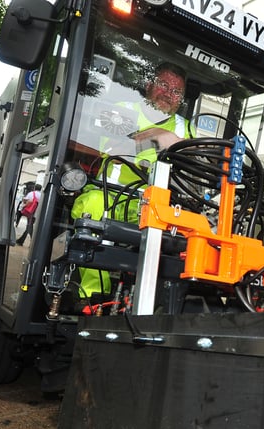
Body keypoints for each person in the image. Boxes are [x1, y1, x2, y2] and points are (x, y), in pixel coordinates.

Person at [72, 62, 188, 300]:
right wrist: (154, 137)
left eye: (176, 92)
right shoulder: (121, 111)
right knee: (94, 204)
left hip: (157, 209)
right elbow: (113, 150)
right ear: (149, 86)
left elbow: (202, 160)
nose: (169, 94)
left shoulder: (185, 129)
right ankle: (94, 298)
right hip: (111, 198)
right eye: (163, 85)